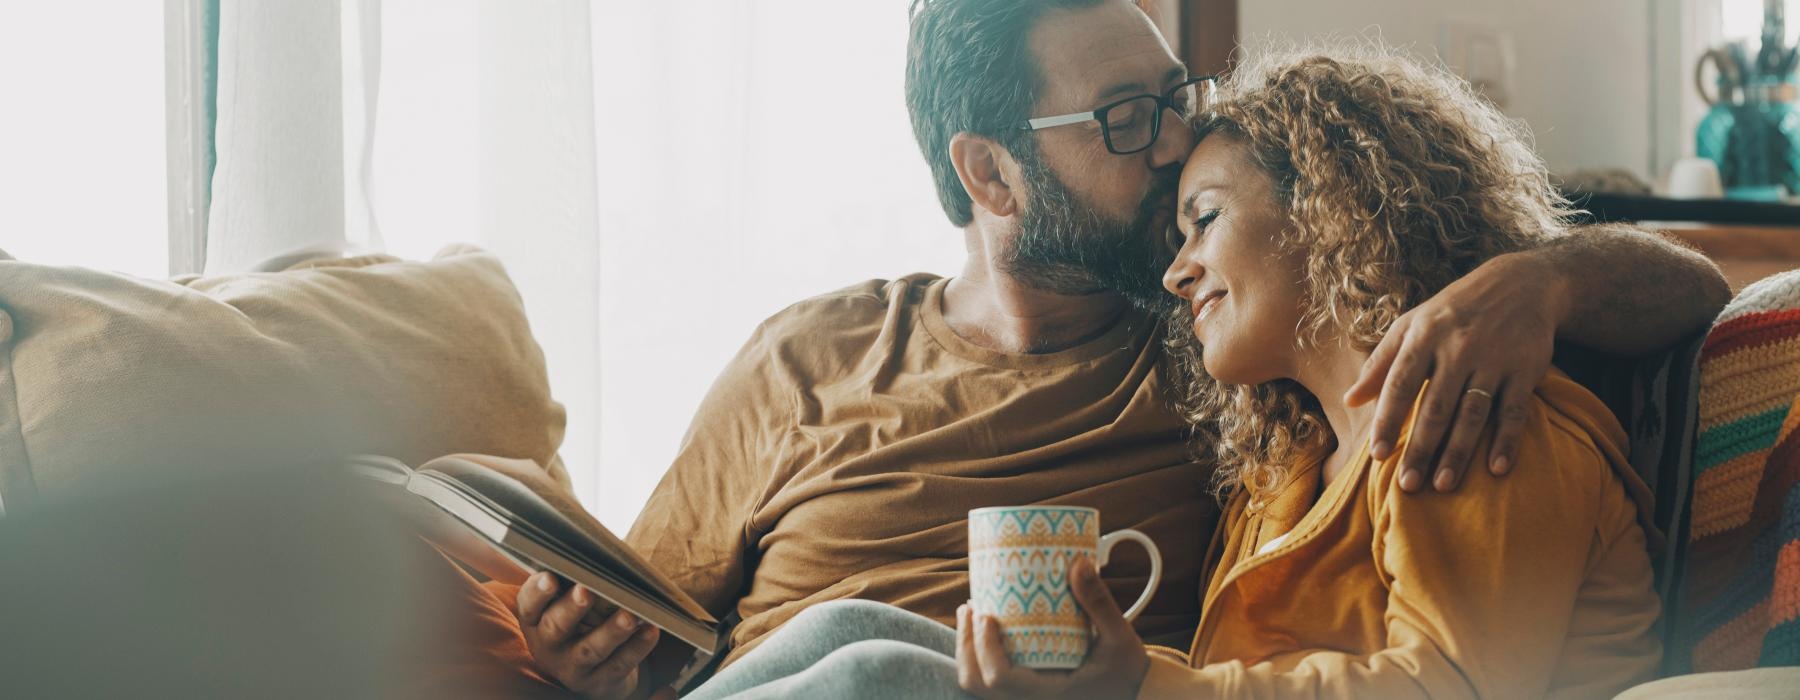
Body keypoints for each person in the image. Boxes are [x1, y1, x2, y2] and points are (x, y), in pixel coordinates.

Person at [496, 1, 1728, 697]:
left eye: (1175, 103)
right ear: (990, 171)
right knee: (850, 635)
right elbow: (657, 629)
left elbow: (1692, 289)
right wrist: (592, 661)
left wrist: (1536, 280)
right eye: (1126, 120)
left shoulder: (1248, 370)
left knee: (874, 669)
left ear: (1328, 221)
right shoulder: (806, 359)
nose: (1170, 146)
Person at [949, 44, 1665, 699]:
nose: (1175, 272)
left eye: (1204, 219)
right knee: (852, 640)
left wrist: (1145, 686)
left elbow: (1449, 684)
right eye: (1177, 237)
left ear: (1329, 211)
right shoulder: (1284, 477)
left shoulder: (1466, 414)